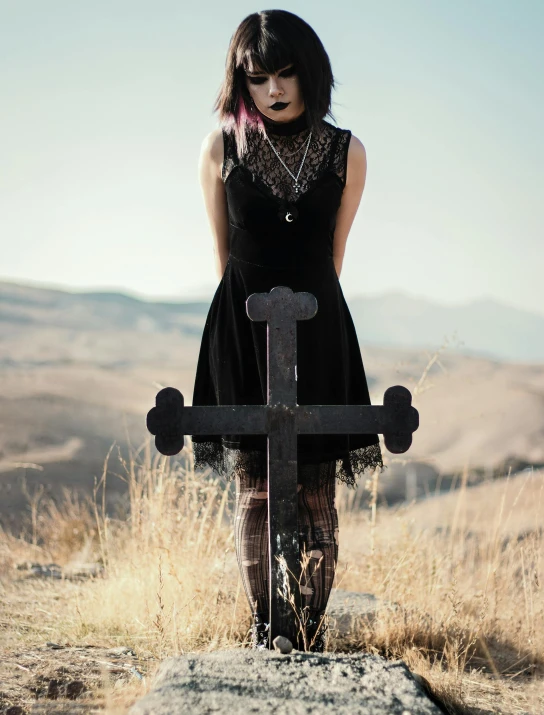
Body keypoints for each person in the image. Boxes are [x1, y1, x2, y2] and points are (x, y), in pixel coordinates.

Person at [191, 9, 386, 651]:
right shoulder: (219, 146)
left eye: (286, 73)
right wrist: (255, 323)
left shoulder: (348, 151)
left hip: (319, 324)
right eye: (257, 78)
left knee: (316, 488)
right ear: (240, 82)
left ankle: (310, 630)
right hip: (243, 327)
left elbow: (335, 255)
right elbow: (223, 256)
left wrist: (304, 318)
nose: (273, 90)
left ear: (310, 73)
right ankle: (268, 630)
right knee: (254, 486)